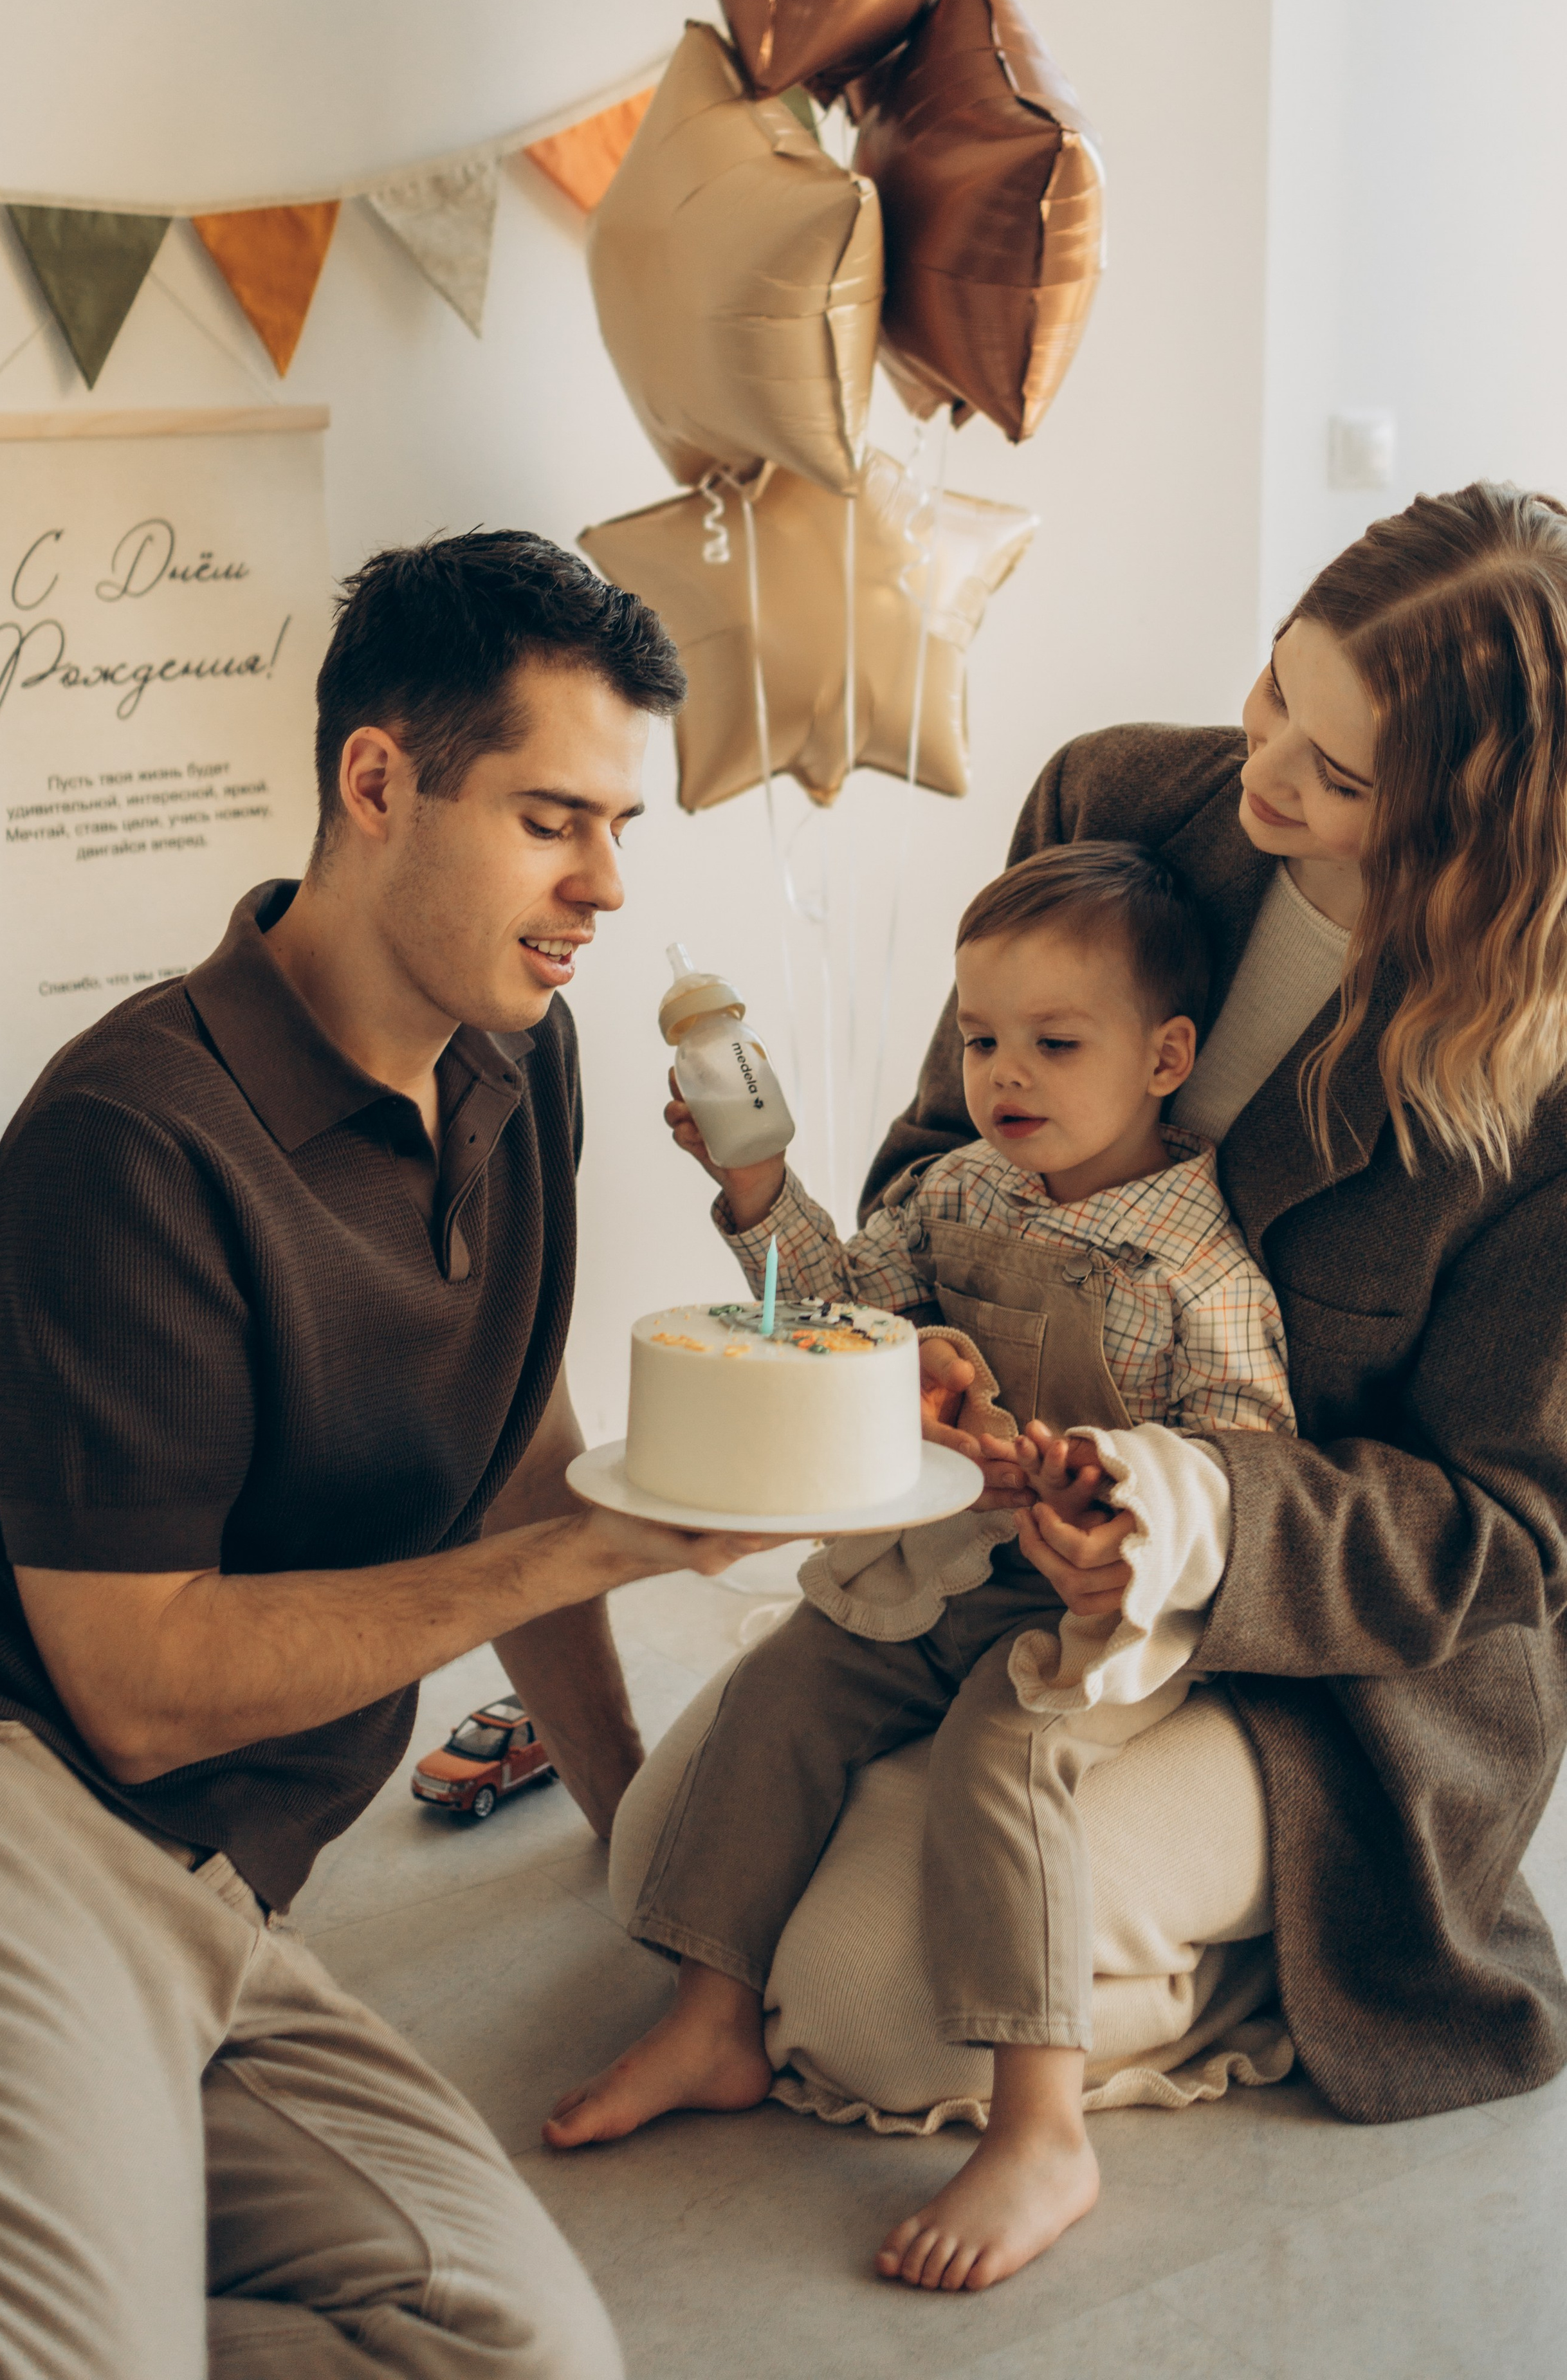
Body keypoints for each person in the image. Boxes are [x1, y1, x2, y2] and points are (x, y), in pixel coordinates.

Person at [604, 481, 1567, 2289]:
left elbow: (1512, 1537)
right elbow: (924, 1166)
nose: (1266, 773)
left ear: (1475, 828)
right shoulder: (1122, 806)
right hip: (989, 1554)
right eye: (1279, 689)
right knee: (659, 1858)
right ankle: (1036, 1886)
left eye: (1343, 777)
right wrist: (920, 1363)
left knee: (868, 2010)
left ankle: (1273, 1945)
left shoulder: (1538, 1076)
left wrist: (1183, 1521)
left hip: (1327, 1653)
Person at [0, 531, 781, 2380]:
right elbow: (140, 1691)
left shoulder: (508, 1049)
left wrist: (629, 1815)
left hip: (221, 1890)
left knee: (520, 2351)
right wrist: (601, 1551)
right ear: (376, 782)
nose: (606, 885)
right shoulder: (131, 1143)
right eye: (556, 818)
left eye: (621, 827)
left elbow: (517, 1424)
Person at [545, 842, 1296, 2289]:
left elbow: (1249, 1468)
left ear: (1165, 1056)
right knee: (781, 1690)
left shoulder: (1200, 1272)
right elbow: (827, 1317)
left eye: (1052, 1043)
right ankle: (711, 2011)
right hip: (940, 1564)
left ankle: (1035, 2126)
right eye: (978, 1038)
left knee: (1001, 1759)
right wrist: (757, 1182)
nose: (1002, 1072)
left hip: (1098, 1609)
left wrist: (1116, 1501)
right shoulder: (958, 1192)